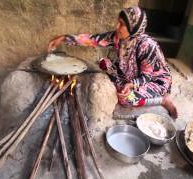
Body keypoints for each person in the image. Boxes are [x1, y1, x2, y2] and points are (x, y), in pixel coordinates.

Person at [47, 6, 178, 119]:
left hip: (154, 80)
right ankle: (127, 85)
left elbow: (147, 76)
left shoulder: (147, 46)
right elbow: (93, 40)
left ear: (133, 28)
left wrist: (132, 85)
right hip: (132, 74)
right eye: (118, 22)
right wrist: (64, 38)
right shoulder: (117, 37)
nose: (117, 27)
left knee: (125, 99)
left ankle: (163, 100)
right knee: (104, 63)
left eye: (121, 24)